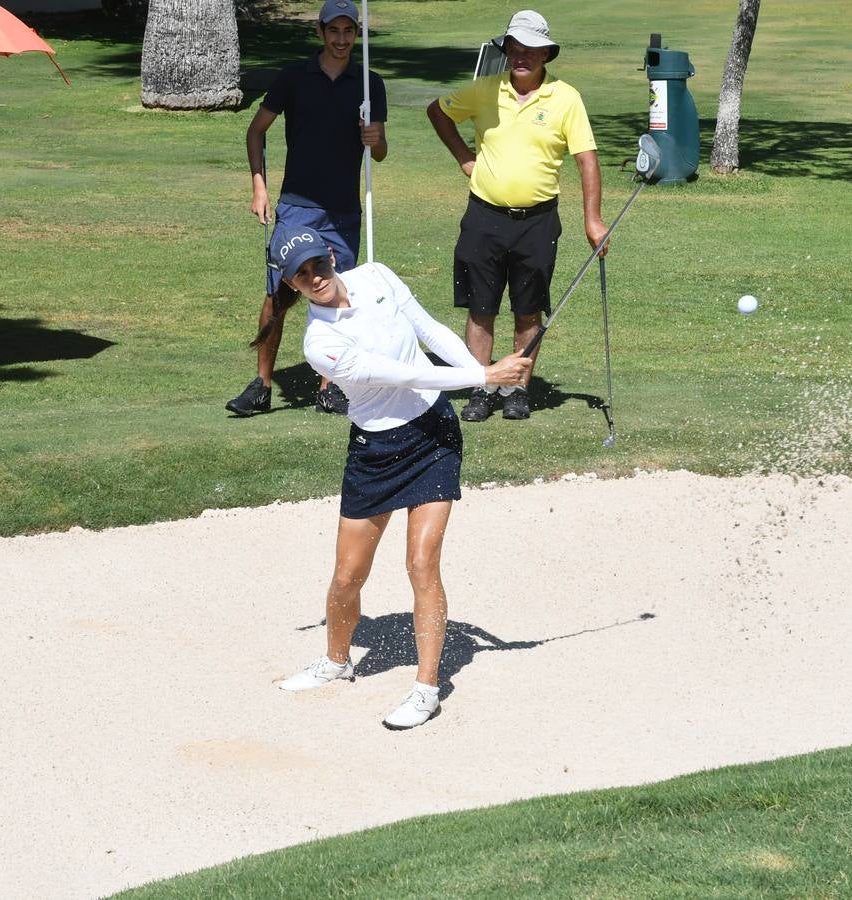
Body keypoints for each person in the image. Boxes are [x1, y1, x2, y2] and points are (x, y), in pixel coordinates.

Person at [268, 224, 533, 730]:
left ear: (329, 255)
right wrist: (483, 377)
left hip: (433, 435)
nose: (315, 278)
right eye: (302, 277)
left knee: (421, 563)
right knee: (348, 575)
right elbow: (403, 374)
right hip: (376, 451)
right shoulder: (319, 343)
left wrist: (487, 373)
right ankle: (336, 660)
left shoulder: (377, 275)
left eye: (317, 265)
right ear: (293, 287)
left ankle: (426, 688)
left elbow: (430, 331)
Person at [426, 9, 607, 422]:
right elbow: (438, 111)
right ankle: (481, 386)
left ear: (546, 53)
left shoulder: (566, 98)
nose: (522, 56)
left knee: (528, 309)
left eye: (531, 50)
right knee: (480, 307)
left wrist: (592, 219)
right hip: (484, 215)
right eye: (515, 48)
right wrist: (464, 158)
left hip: (538, 221)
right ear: (506, 50)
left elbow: (587, 160)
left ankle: (517, 388)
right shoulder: (484, 90)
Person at [226, 0, 388, 418]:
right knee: (278, 295)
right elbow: (256, 131)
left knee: (337, 296)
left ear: (357, 33)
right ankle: (262, 385)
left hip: (343, 212)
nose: (340, 39)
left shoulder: (369, 83)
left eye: (348, 31)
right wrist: (259, 186)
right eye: (333, 31)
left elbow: (381, 151)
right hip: (297, 207)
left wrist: (374, 139)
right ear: (320, 32)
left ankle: (330, 387)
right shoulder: (293, 78)